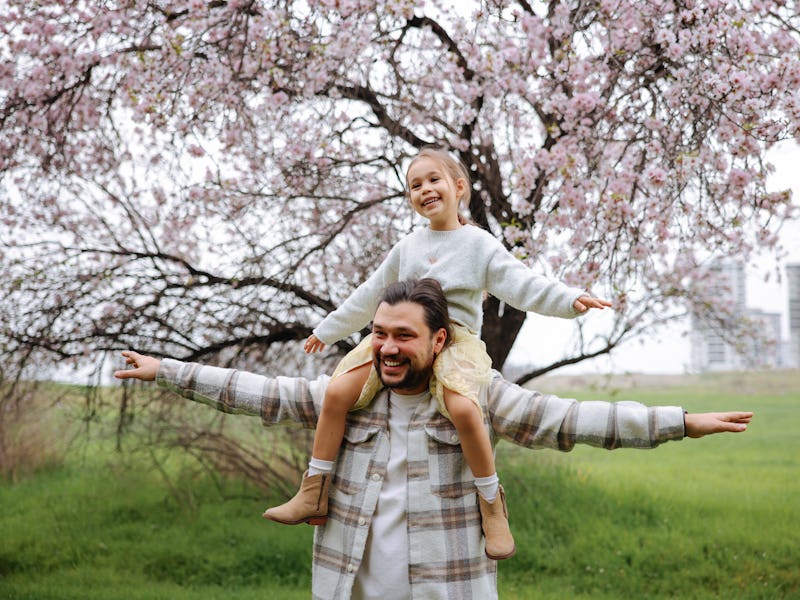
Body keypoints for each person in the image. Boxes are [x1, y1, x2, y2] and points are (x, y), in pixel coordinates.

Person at [115, 278, 752, 600]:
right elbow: (263, 394)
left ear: (438, 341)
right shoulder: (355, 398)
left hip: (447, 585)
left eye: (404, 336)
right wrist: (167, 371)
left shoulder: (470, 398)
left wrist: (681, 422)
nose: (389, 348)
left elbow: (569, 420)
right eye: (379, 334)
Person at [277, 146, 612, 559]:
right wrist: (328, 330)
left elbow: (522, 283)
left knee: (465, 409)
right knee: (337, 391)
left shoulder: (478, 244)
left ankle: (491, 505)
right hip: (402, 335)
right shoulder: (407, 247)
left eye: (433, 180)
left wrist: (569, 299)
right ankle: (315, 488)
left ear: (458, 187)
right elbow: (370, 294)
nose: (424, 190)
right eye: (414, 185)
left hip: (455, 340)